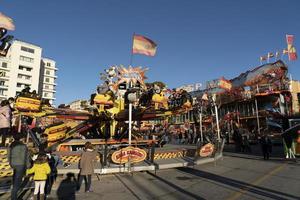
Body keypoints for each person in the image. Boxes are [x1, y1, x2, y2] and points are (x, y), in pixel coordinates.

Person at [9, 134, 31, 200]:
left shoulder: (11, 145)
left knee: (14, 179)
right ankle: (14, 197)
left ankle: (13, 195)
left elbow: (8, 155)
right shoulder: (23, 146)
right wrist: (28, 165)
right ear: (21, 138)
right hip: (20, 164)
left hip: (13, 163)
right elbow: (26, 156)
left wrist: (10, 163)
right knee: (17, 181)